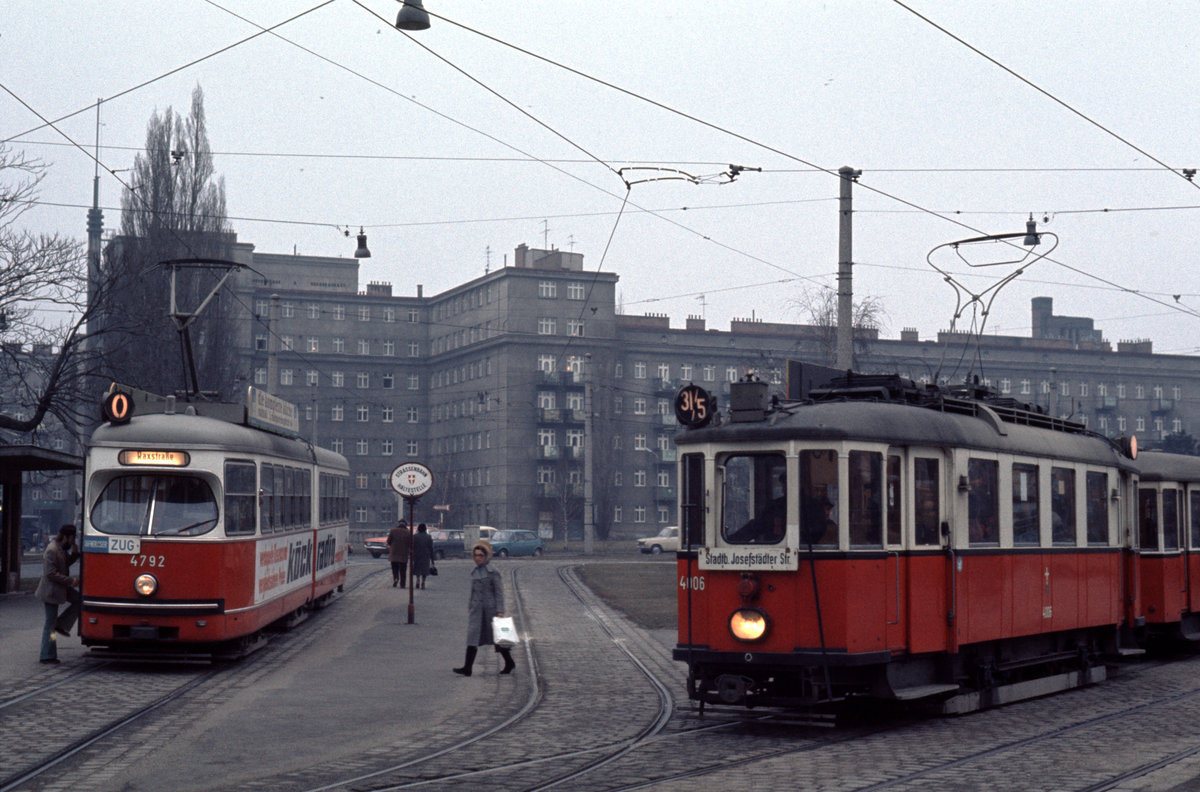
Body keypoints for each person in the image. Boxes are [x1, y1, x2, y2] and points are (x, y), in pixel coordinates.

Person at [453, 540, 515, 677]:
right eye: (475, 555)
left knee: (498, 638)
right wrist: (470, 605)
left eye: (481, 555)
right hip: (477, 610)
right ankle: (467, 668)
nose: (477, 558)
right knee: (472, 637)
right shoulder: (474, 571)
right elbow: (473, 591)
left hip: (490, 610)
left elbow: (499, 592)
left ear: (486, 556)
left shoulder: (493, 572)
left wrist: (500, 610)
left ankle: (509, 662)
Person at [35, 524, 81, 664]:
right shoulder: (52, 549)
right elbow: (50, 574)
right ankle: (47, 655)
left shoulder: (60, 548)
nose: (72, 541)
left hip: (59, 588)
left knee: (79, 600)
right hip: (51, 591)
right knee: (50, 624)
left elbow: (65, 562)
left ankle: (61, 624)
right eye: (72, 539)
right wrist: (70, 581)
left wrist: (75, 551)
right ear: (67, 537)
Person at [387, 519, 412, 588]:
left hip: (394, 553)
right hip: (403, 554)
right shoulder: (408, 532)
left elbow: (388, 541)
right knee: (403, 570)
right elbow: (410, 544)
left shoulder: (393, 531)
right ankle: (402, 584)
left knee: (394, 568)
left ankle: (395, 578)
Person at [412, 523, 434, 589]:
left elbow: (412, 546)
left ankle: (418, 579)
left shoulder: (415, 536)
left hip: (417, 554)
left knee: (417, 568)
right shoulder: (428, 537)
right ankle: (423, 581)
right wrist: (432, 558)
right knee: (425, 569)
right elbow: (431, 547)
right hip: (425, 554)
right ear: (425, 529)